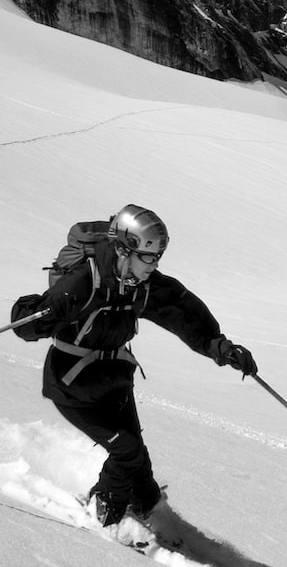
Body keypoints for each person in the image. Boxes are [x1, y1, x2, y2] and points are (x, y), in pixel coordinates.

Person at [14, 204, 257, 529]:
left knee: (136, 455)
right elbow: (25, 324)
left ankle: (152, 512)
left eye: (157, 257)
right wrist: (47, 312)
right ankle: (105, 515)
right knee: (126, 450)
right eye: (148, 257)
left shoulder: (144, 285)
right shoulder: (85, 280)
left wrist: (221, 348)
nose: (153, 265)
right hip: (73, 384)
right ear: (123, 250)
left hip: (114, 378)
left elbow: (183, 312)